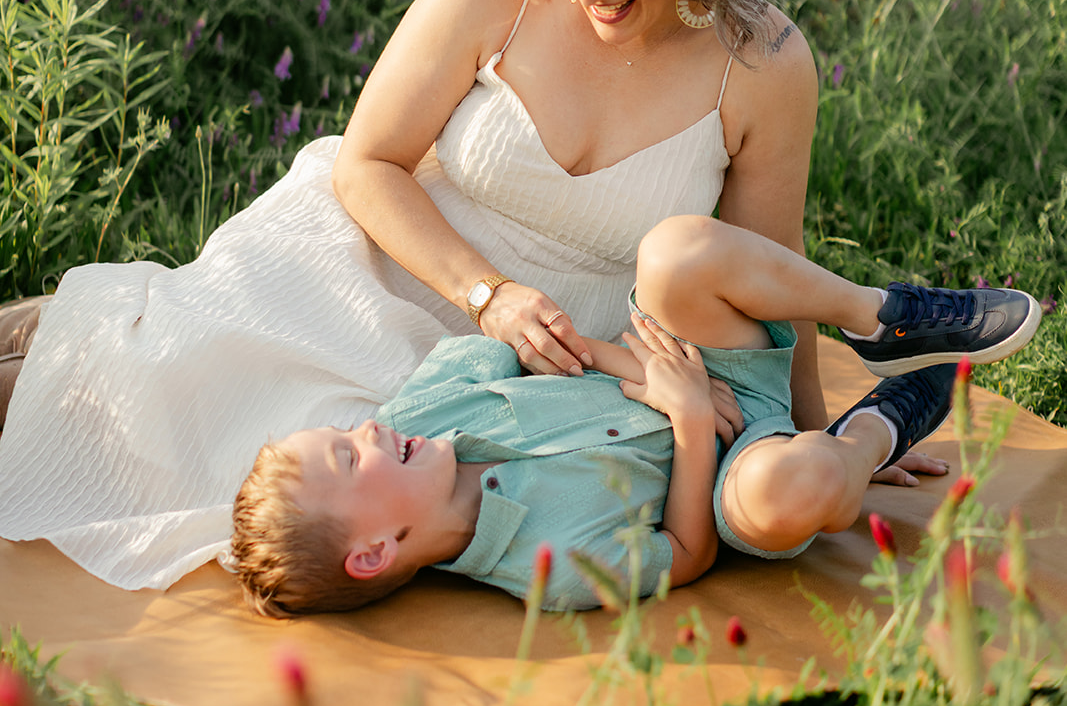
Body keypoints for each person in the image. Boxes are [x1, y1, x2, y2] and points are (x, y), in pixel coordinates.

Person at [0, 0, 935, 590]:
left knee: (296, 469)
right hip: (396, 259)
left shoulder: (761, 64)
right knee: (152, 374)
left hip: (544, 361)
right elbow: (369, 164)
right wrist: (488, 295)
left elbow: (775, 281)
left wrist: (838, 437)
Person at [231, 215, 1041, 615]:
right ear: (371, 553)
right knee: (793, 488)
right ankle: (877, 427)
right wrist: (690, 426)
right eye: (347, 458)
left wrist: (655, 374)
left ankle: (884, 318)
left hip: (687, 360)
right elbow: (682, 552)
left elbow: (566, 348)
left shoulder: (427, 407)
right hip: (732, 468)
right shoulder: (541, 570)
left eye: (342, 432)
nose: (365, 430)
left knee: (673, 250)